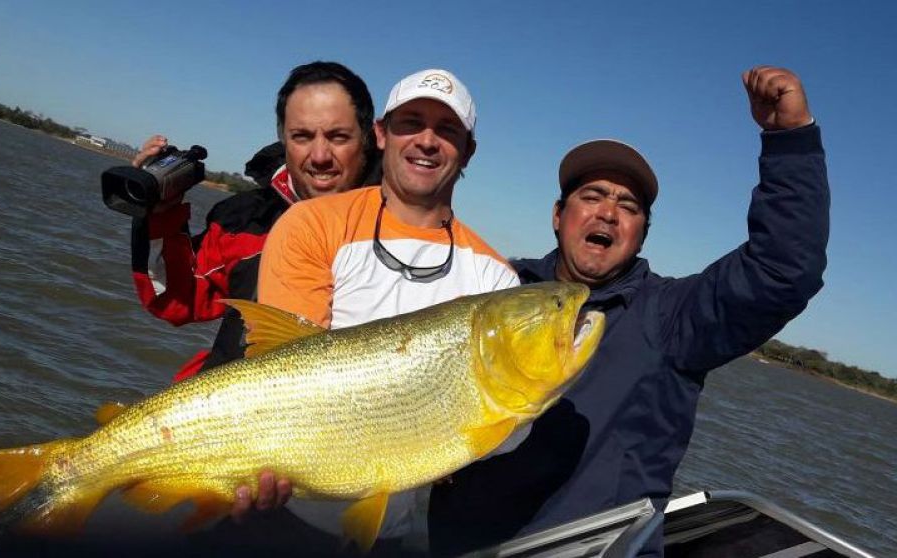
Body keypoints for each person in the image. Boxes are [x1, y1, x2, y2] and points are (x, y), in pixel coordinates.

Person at [428, 66, 829, 557]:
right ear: (559, 215)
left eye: (628, 206)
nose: (608, 213)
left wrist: (789, 140)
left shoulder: (672, 318)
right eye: (591, 196)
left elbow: (784, 269)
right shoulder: (497, 285)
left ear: (641, 232)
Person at [254, 68, 521, 553]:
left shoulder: (495, 279)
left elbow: (502, 433)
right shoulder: (310, 224)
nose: (427, 141)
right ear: (381, 134)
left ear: (468, 151)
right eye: (411, 123)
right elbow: (283, 372)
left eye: (447, 130)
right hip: (282, 515)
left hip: (390, 536)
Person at [129, 61, 381, 383]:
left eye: (338, 136)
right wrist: (158, 215)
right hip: (234, 416)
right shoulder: (243, 220)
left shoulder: (407, 231)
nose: (320, 155)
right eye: (302, 136)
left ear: (370, 138)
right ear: (282, 138)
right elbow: (176, 299)